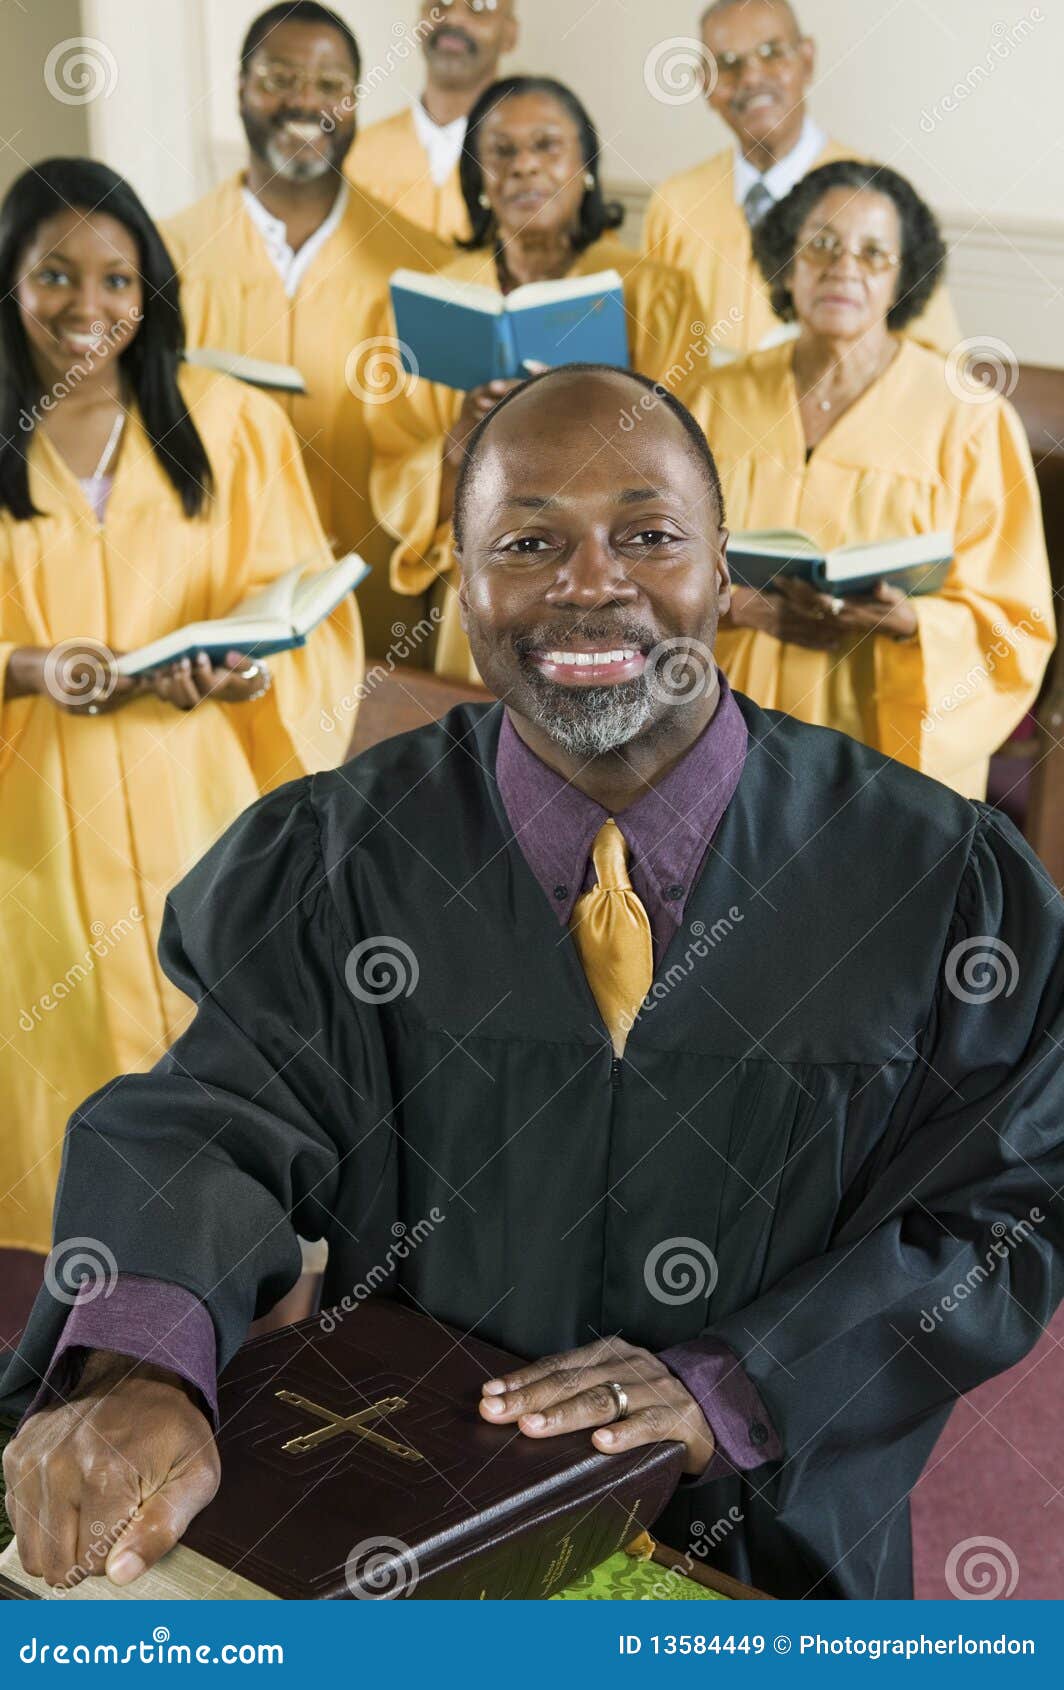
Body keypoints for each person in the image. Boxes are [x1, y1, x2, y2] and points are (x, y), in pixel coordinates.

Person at [4, 366, 1063, 1603]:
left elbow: (1006, 1201)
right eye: (527, 542)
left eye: (647, 535)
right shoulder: (344, 856)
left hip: (769, 1548)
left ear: (724, 570)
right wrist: (142, 1367)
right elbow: (213, 1117)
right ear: (462, 586)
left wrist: (738, 1382)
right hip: (419, 1519)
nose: (590, 583)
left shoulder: (927, 878)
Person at [0, 159, 363, 1256]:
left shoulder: (229, 421)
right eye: (55, 273)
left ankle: (217, 1306)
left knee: (210, 1048)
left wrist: (244, 669)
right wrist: (27, 666)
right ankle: (61, 1321)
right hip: (33, 830)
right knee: (52, 1074)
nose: (88, 304)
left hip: (200, 807)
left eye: (117, 278)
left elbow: (300, 606)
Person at [686, 160, 1054, 799]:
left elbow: (1013, 620)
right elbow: (648, 563)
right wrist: (740, 607)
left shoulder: (968, 419)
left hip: (881, 749)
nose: (843, 267)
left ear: (902, 278)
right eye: (821, 244)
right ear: (787, 261)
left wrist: (911, 622)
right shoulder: (714, 401)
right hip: (724, 729)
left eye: (873, 252)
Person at [368, 75, 704, 683]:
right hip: (493, 583)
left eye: (546, 146)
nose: (523, 166)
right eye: (501, 152)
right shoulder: (433, 300)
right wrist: (460, 442)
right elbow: (394, 462)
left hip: (619, 585)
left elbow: (691, 459)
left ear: (587, 167)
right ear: (478, 179)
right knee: (490, 740)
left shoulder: (656, 295)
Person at [161, 2, 447, 660]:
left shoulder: (423, 267)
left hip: (380, 606)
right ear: (240, 87)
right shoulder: (165, 257)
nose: (305, 102)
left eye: (329, 85)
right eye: (279, 79)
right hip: (212, 603)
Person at [643, 0, 958, 362]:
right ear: (705, 85)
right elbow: (648, 348)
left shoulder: (877, 202)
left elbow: (936, 363)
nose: (751, 78)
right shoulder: (675, 204)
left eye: (771, 53)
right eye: (727, 64)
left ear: (806, 60)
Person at [346, 0, 519, 242]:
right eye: (441, 3)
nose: (453, 18)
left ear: (510, 34)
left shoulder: (526, 162)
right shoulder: (355, 155)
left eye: (479, 7)